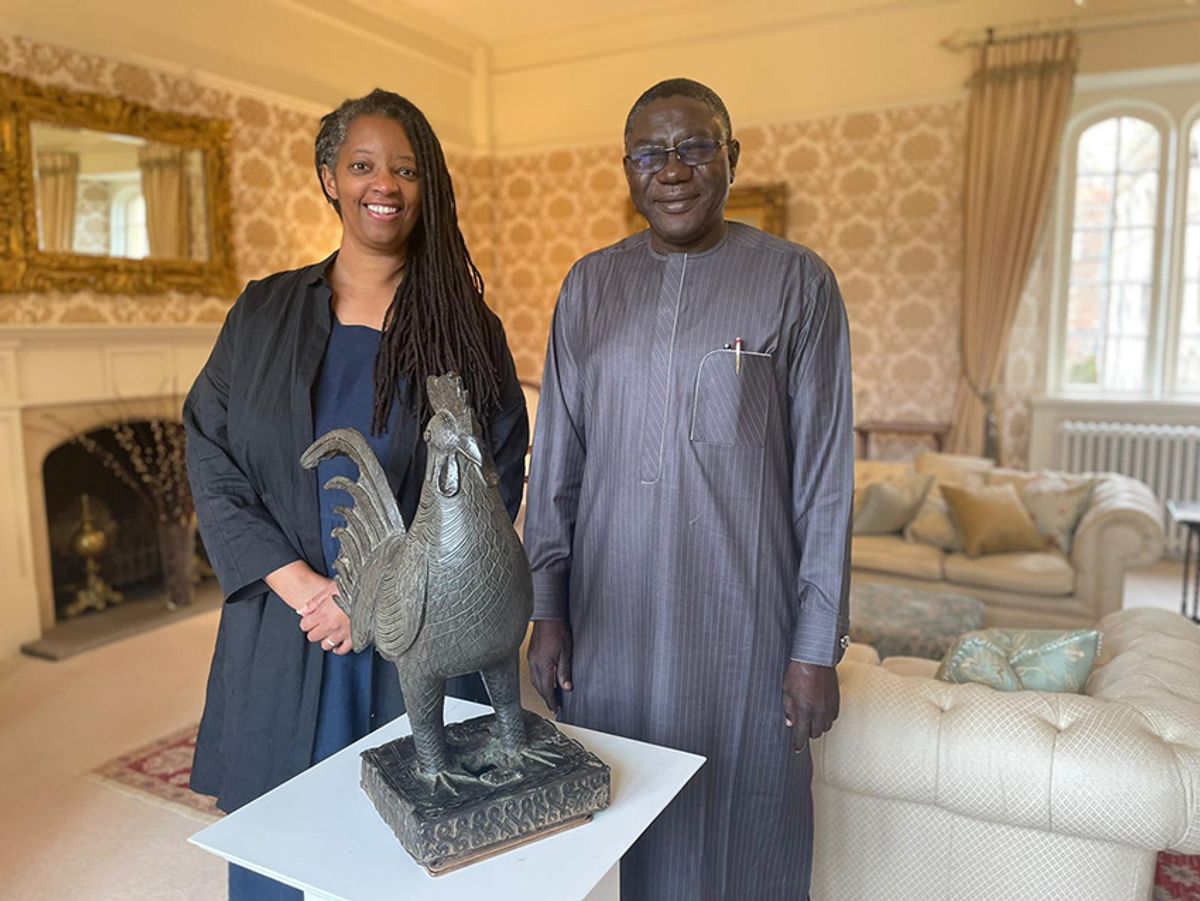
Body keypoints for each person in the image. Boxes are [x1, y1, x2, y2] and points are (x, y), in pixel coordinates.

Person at [184, 89, 528, 900]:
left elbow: (492, 476)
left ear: (428, 184)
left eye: (406, 169)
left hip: (415, 633)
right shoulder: (263, 311)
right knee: (278, 847)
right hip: (287, 620)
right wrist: (299, 583)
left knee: (410, 855)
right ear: (331, 177)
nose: (387, 184)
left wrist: (367, 600)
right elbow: (211, 449)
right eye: (365, 164)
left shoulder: (464, 327)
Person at [524, 77, 854, 901]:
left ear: (731, 158)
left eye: (695, 146)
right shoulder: (588, 287)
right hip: (614, 625)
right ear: (628, 169)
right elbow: (557, 460)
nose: (672, 169)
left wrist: (815, 645)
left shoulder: (798, 282)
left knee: (751, 822)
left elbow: (823, 480)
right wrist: (547, 607)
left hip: (745, 626)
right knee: (623, 815)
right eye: (650, 153)